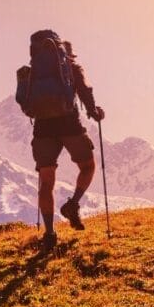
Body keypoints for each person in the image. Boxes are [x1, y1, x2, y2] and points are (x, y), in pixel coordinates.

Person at [20, 30, 105, 250]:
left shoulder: (33, 72)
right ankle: (73, 204)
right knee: (88, 165)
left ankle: (49, 234)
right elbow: (85, 89)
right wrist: (93, 110)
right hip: (69, 123)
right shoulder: (71, 67)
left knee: (46, 183)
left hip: (42, 128)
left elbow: (24, 102)